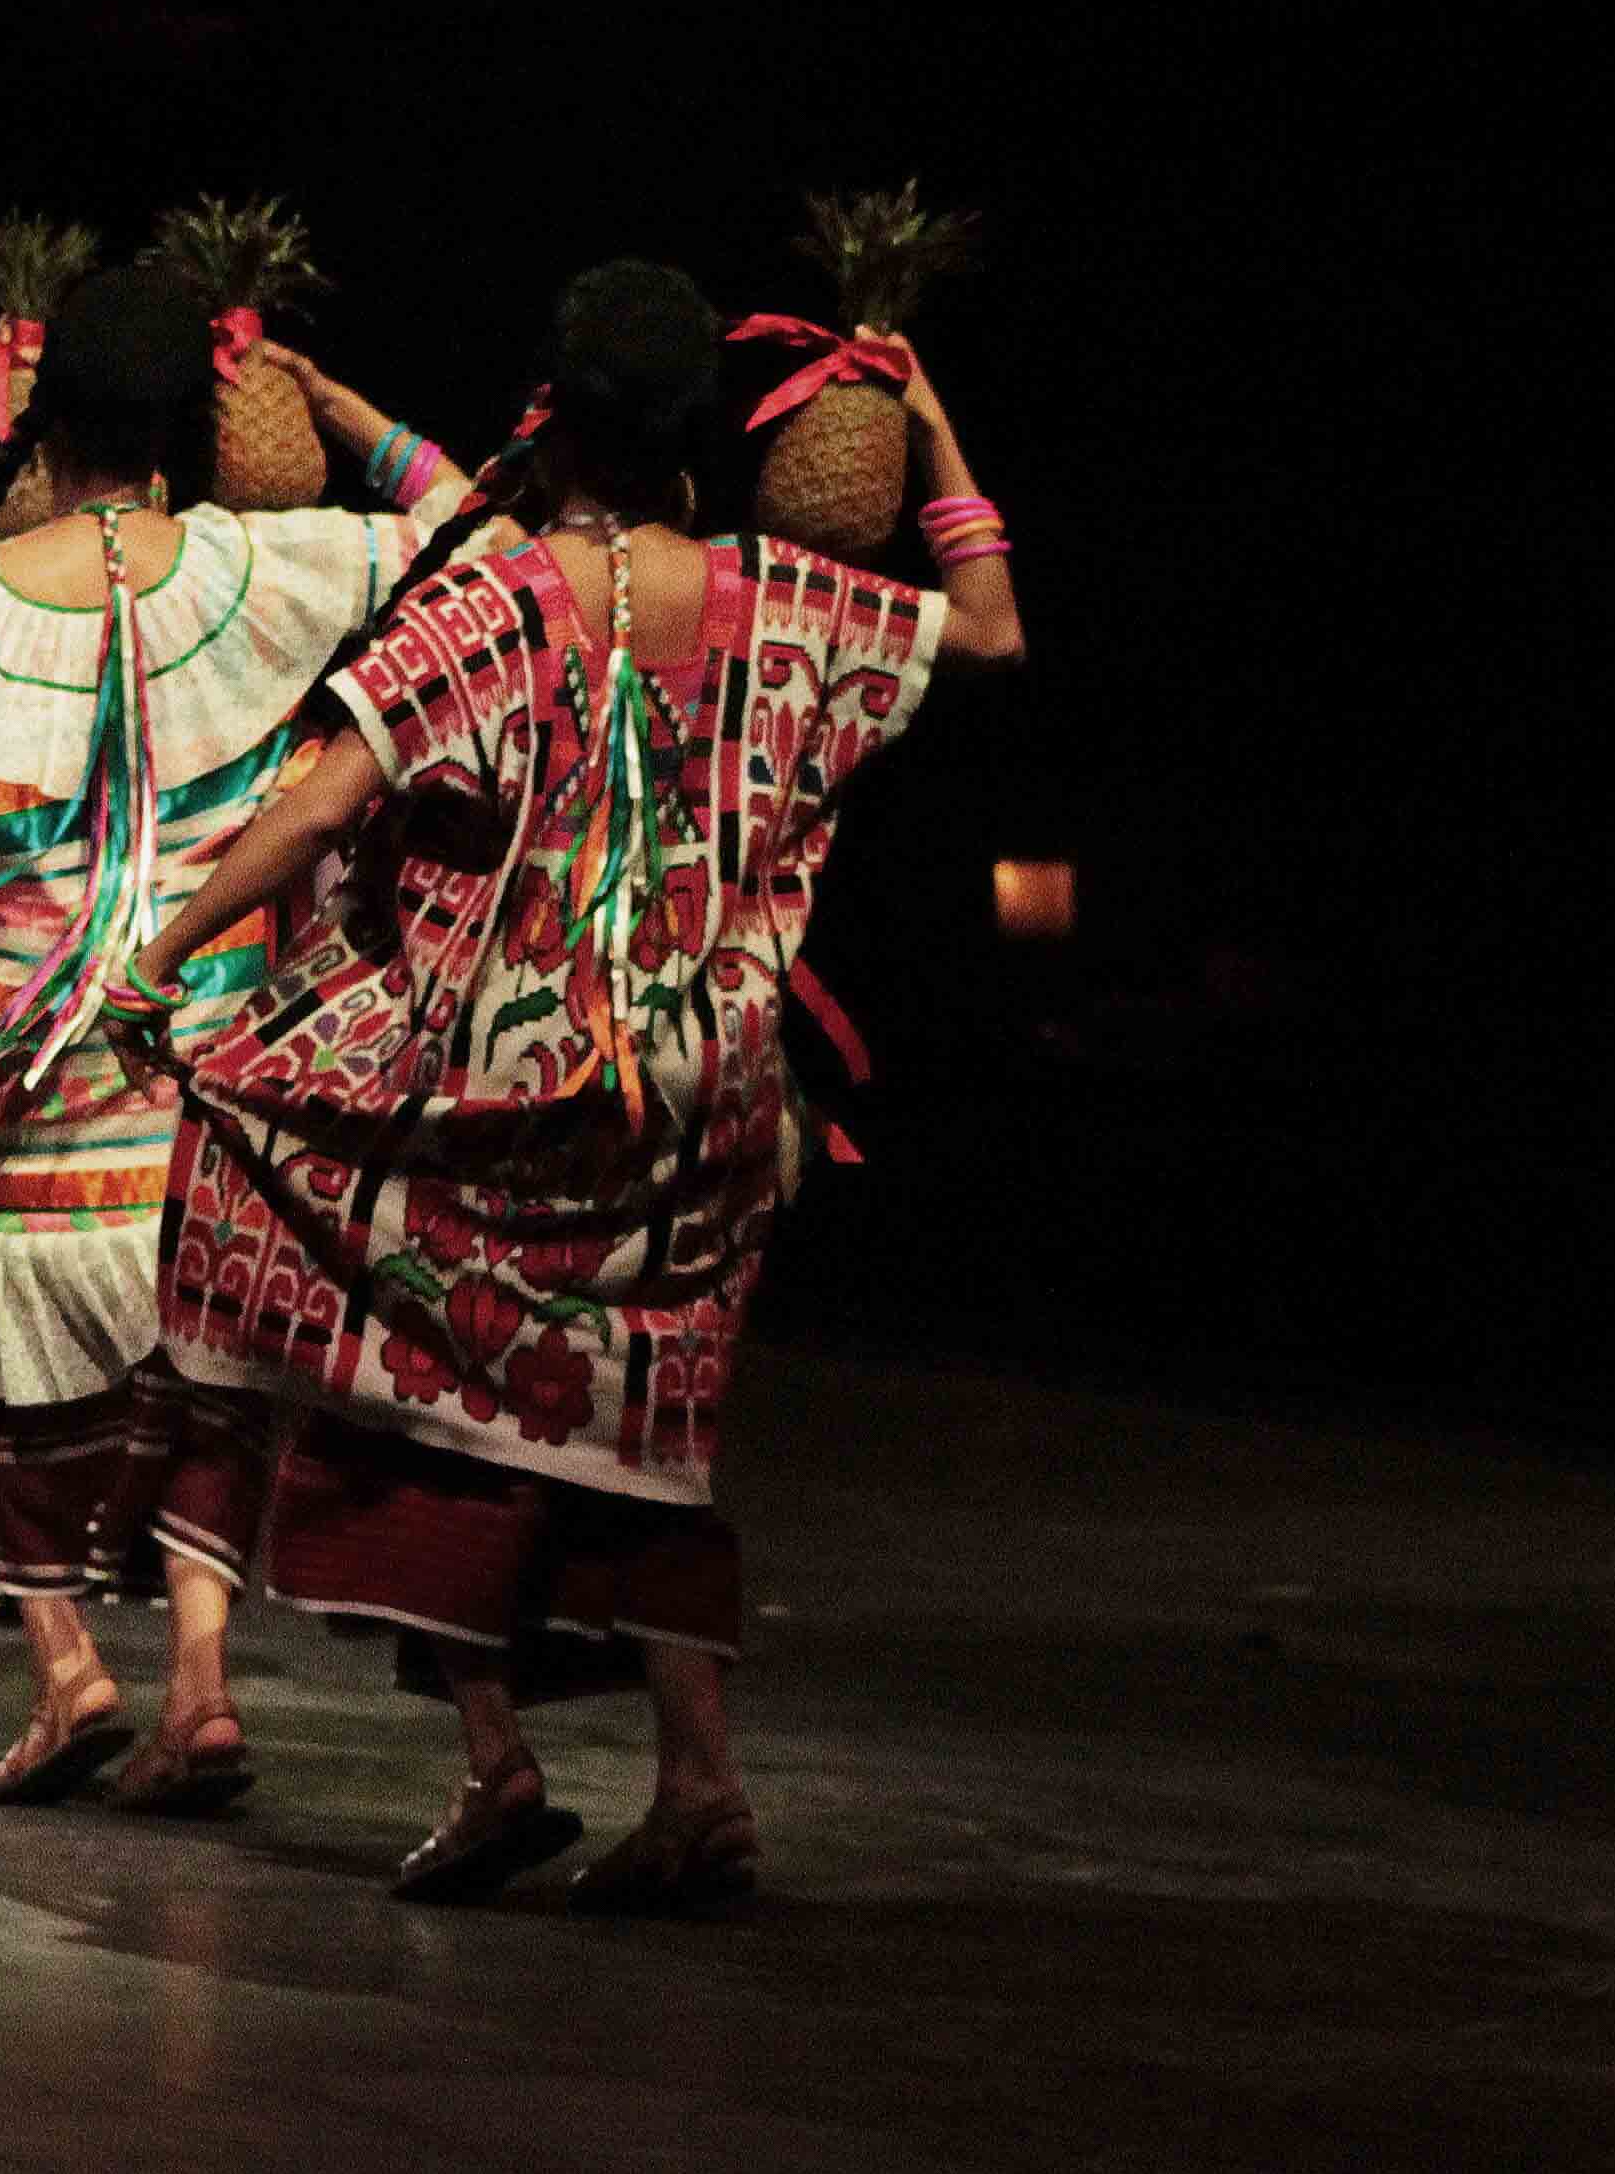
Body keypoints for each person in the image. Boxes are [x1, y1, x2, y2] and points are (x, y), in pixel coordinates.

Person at [136, 264, 1022, 1909]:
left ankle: (496, 1758)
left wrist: (152, 955)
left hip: (507, 1097)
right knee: (633, 1437)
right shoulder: (780, 596)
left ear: (550, 413)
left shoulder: (499, 600)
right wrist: (925, 416)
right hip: (709, 1107)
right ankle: (697, 1787)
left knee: (373, 1345)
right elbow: (985, 623)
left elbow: (328, 803)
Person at [0, 269, 467, 1799]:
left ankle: (71, 1668)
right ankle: (199, 1682)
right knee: (198, 1372)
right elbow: (498, 545)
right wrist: (348, 417)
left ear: (36, 417)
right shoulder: (274, 568)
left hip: (0, 1060)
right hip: (205, 1042)